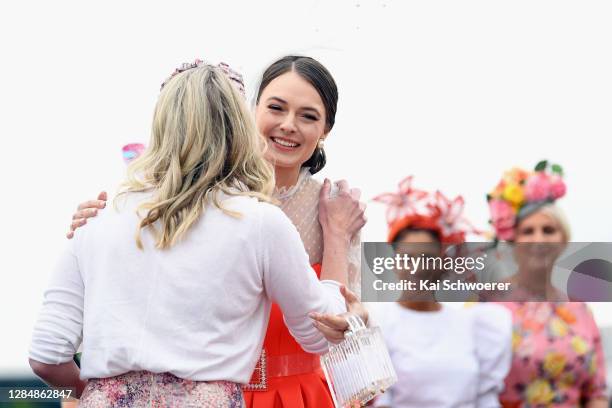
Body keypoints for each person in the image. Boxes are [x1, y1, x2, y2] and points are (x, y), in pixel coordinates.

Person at [29, 61, 365, 407]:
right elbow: (324, 329)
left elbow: (46, 354)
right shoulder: (261, 222)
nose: (288, 125)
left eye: (308, 116)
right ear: (246, 117)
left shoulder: (344, 209)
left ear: (327, 129)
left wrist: (102, 395)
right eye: (276, 107)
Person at [372, 176, 512, 408]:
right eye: (407, 258)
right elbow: (380, 400)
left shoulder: (472, 324)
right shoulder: (379, 323)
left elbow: (486, 398)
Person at [487, 161, 609, 407]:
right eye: (528, 231)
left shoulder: (580, 308)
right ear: (513, 241)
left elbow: (597, 391)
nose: (539, 238)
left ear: (563, 239)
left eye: (548, 230)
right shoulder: (489, 305)